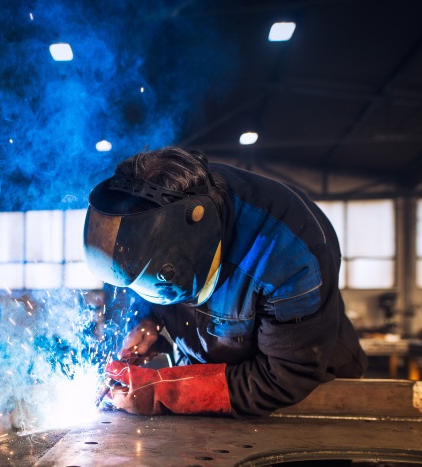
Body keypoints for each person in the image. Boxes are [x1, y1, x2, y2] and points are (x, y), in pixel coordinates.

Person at [84, 147, 367, 417]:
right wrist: (148, 320)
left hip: (302, 407)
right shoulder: (158, 211)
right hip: (205, 391)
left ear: (196, 240)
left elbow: (285, 377)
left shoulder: (289, 253)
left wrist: (163, 393)